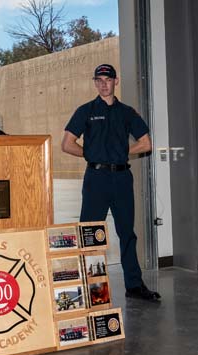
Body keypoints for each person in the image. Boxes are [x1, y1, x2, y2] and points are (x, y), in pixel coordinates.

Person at [61, 64, 160, 302]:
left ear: (116, 81)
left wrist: (123, 152)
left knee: (127, 233)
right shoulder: (85, 111)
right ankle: (90, 288)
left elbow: (146, 143)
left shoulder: (127, 112)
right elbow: (67, 143)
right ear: (95, 82)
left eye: (108, 79)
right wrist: (91, 154)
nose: (103, 83)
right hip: (96, 179)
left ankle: (134, 286)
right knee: (90, 233)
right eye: (99, 80)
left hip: (122, 179)